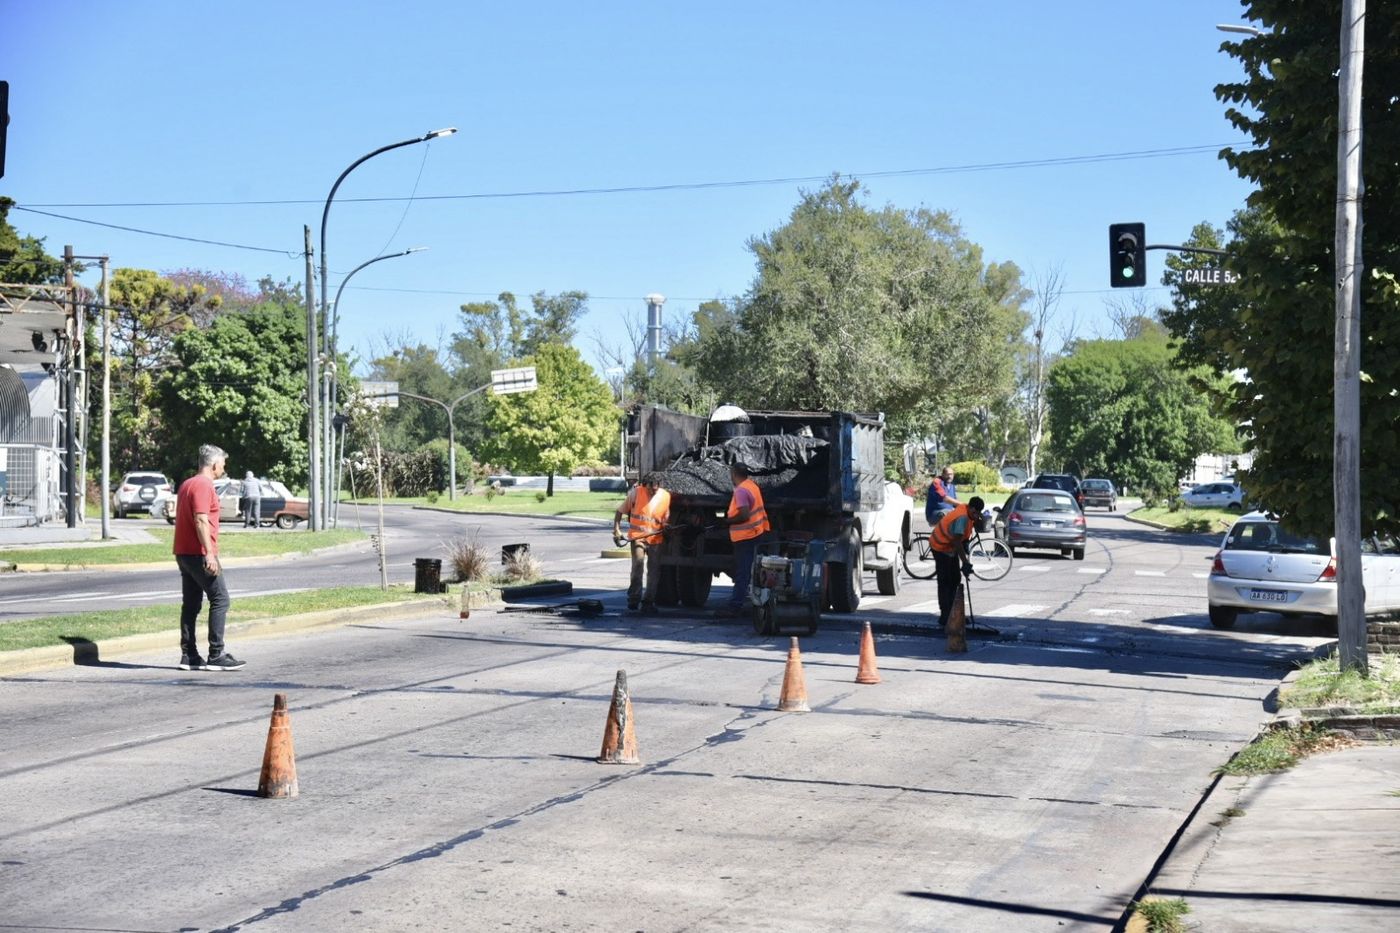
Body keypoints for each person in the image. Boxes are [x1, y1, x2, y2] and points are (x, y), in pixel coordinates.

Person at [173, 444, 245, 671]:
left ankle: (189, 655)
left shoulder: (187, 484)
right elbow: (201, 520)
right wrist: (209, 554)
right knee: (220, 598)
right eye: (223, 463)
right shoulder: (204, 485)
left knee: (192, 604)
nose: (224, 466)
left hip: (183, 552)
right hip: (199, 553)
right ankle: (216, 654)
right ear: (214, 464)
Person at [612, 472, 671, 613]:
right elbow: (620, 511)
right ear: (646, 485)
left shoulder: (665, 496)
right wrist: (617, 530)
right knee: (637, 567)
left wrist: (667, 525)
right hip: (638, 537)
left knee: (654, 571)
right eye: (651, 488)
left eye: (656, 489)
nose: (653, 491)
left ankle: (648, 602)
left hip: (656, 538)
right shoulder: (636, 493)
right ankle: (633, 599)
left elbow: (665, 517)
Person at [719, 462, 771, 618]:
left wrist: (726, 521)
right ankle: (758, 602)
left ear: (734, 474)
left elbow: (744, 515)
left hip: (746, 536)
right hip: (756, 533)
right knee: (751, 571)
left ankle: (735, 606)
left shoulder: (741, 491)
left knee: (743, 572)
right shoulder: (752, 486)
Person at [929, 495, 986, 629]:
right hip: (940, 546)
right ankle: (945, 615)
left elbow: (961, 539)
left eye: (978, 513)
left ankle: (954, 613)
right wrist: (965, 562)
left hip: (949, 547)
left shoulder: (967, 512)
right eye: (974, 512)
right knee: (945, 581)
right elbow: (956, 541)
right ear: (970, 508)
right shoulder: (962, 518)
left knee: (955, 579)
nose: (976, 515)